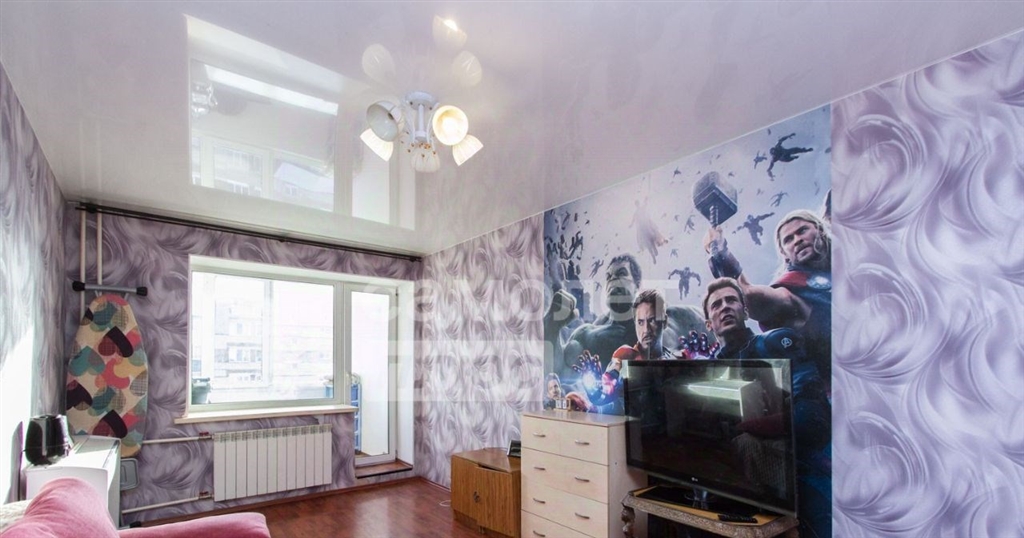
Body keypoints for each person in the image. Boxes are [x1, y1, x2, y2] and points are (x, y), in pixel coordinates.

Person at [702, 277, 832, 538]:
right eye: (716, 305)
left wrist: (750, 426)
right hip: (733, 495)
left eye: (731, 300)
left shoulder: (775, 343)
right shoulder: (709, 370)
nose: (725, 307)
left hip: (800, 481)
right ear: (709, 324)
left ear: (745, 311)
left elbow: (812, 420)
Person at [705, 209, 832, 386]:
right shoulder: (791, 289)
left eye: (802, 230)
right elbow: (748, 294)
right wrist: (721, 253)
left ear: (821, 230)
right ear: (784, 253)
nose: (797, 240)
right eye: (788, 239)